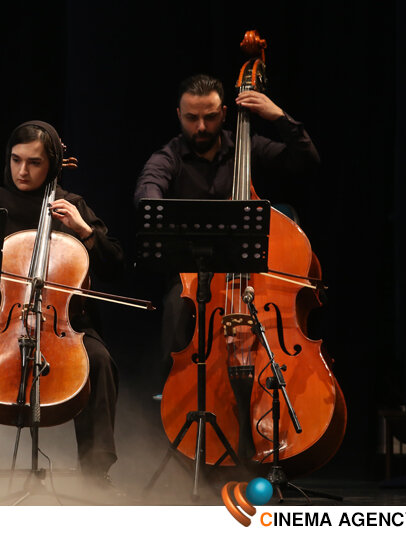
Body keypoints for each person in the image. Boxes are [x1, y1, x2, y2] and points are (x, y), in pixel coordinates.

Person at [133, 74, 320, 456]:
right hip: (196, 277)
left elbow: (306, 161)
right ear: (179, 115)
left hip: (252, 278)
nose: (201, 127)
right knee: (176, 307)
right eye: (191, 118)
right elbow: (148, 193)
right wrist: (156, 206)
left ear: (224, 112)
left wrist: (278, 116)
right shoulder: (168, 157)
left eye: (210, 117)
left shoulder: (246, 145)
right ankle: (176, 398)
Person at [0, 120, 124, 490]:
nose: (22, 171)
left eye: (35, 162)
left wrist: (84, 231)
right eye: (16, 160)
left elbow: (115, 266)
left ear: (52, 164)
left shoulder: (71, 206)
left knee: (100, 361)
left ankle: (96, 473)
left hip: (62, 322)